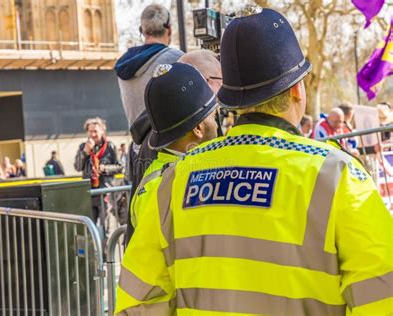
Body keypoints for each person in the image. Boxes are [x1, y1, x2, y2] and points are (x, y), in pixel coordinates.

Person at [116, 7, 392, 315]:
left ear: (227, 98)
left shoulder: (172, 183)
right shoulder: (341, 178)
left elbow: (138, 302)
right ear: (298, 90)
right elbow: (381, 298)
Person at [124, 49, 223, 244]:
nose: (218, 123)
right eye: (213, 117)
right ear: (198, 128)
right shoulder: (182, 182)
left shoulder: (162, 166)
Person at [115, 4, 184, 127]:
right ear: (170, 30)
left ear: (142, 30)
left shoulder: (124, 63)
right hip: (173, 143)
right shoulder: (177, 57)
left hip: (139, 144)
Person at [74, 117, 122, 235]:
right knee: (89, 229)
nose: (93, 134)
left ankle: (106, 253)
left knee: (106, 228)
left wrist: (105, 169)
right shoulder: (83, 147)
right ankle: (93, 253)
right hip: (89, 193)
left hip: (105, 192)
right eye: (90, 131)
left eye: (95, 131)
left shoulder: (110, 146)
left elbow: (120, 167)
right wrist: (85, 151)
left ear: (102, 131)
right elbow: (78, 167)